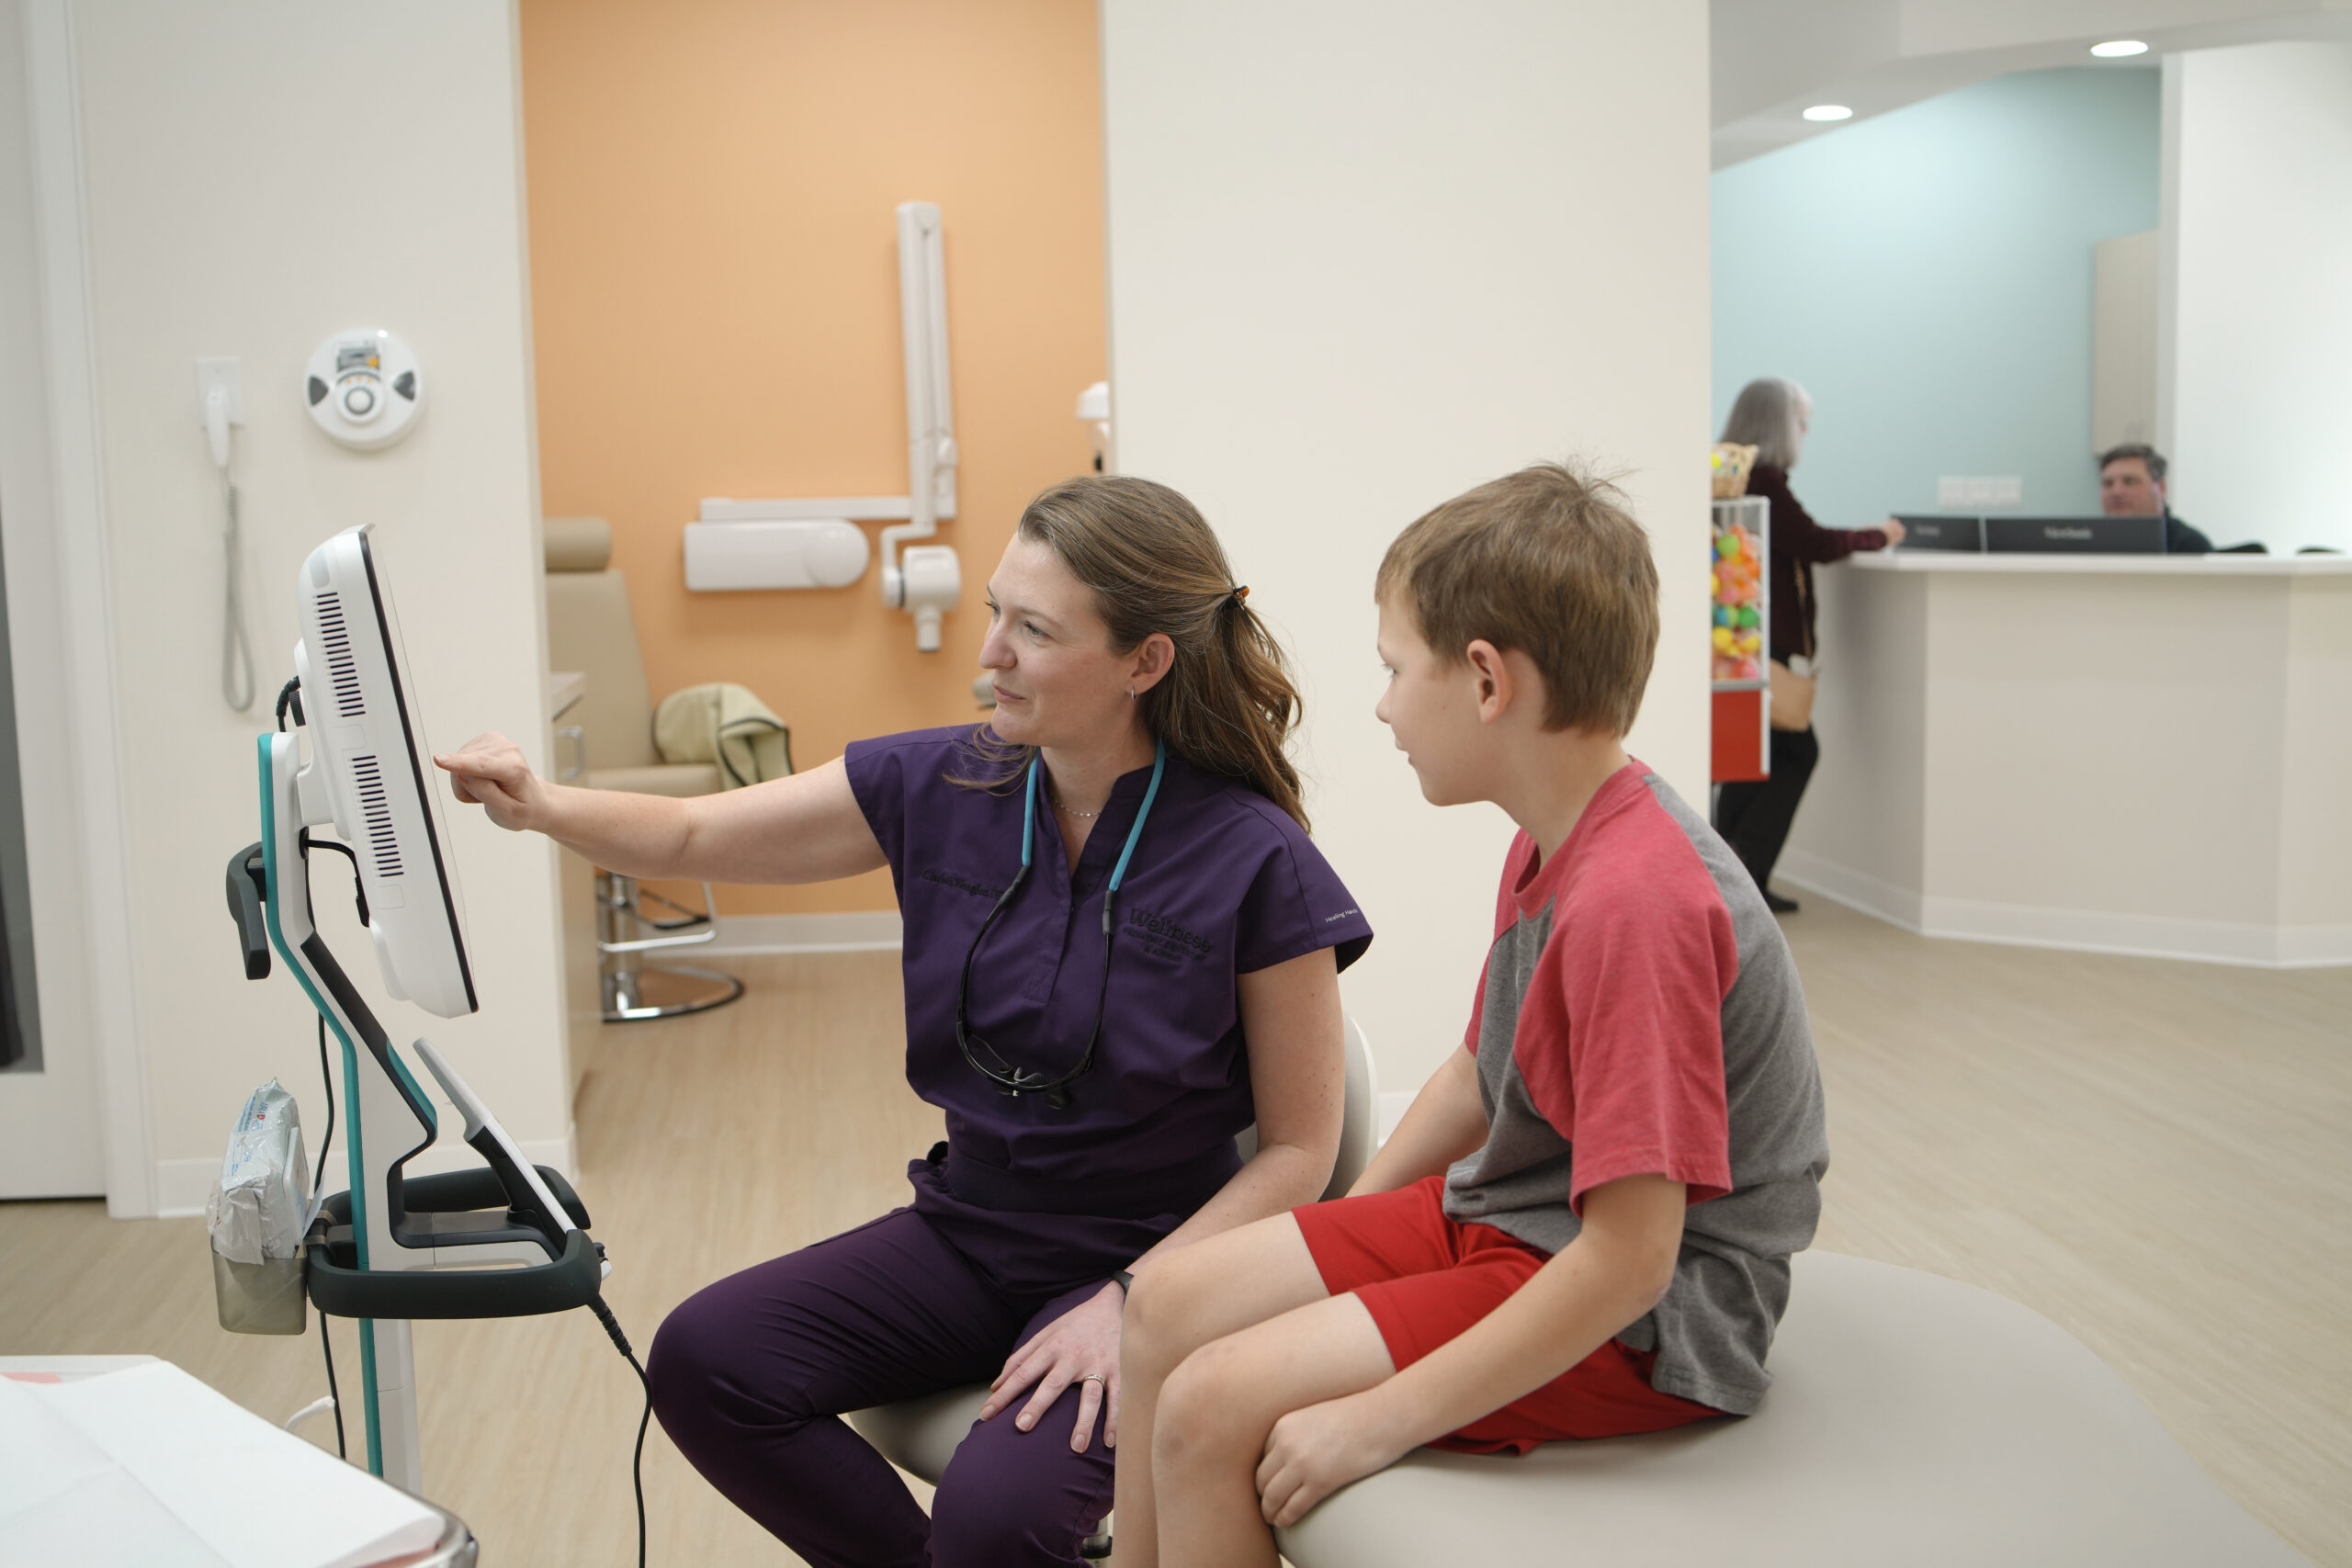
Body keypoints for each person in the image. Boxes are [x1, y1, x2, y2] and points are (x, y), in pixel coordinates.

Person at [435, 476, 1374, 1568]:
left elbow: (1303, 1152)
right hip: (970, 1230)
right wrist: (540, 804)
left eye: (1032, 630)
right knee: (705, 1361)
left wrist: (1134, 1304)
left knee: (995, 1519)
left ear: (1144, 661)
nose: (989, 654)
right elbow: (692, 836)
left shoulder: (1253, 856)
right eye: (993, 612)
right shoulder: (941, 782)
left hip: (1153, 1262)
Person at [1107, 464, 1829, 1568]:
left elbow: (1633, 1261)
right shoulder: (1552, 834)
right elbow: (1474, 1076)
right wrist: (1340, 1235)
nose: (1385, 704)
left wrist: (1373, 1417)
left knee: (1213, 1406)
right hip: (1518, 1215)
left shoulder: (1639, 903)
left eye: (1396, 669)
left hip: (1653, 1317)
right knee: (1164, 1299)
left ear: (1486, 681)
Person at [1712, 377, 1902, 912]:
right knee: (1792, 751)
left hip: (1740, 637)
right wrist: (1878, 535)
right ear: (1779, 424)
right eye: (1801, 420)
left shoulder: (1735, 478)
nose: (1806, 430)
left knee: (1750, 761)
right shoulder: (1766, 480)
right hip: (1759, 639)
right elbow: (1813, 543)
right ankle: (1743, 879)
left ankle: (1734, 878)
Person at [2098, 443, 2213, 554]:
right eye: (2108, 484)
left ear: (2161, 487)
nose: (2116, 492)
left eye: (2130, 482)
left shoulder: (2189, 546)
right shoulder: (2091, 544)